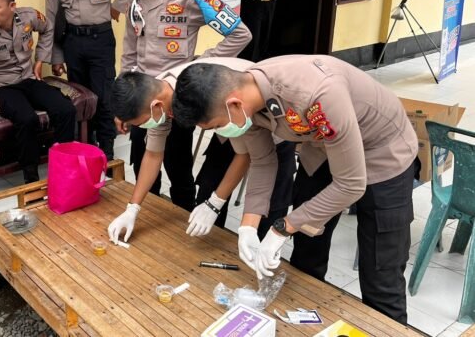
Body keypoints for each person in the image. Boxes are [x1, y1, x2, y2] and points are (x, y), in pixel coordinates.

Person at [172, 55, 418, 324]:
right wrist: (248, 226)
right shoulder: (246, 104)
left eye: (218, 126)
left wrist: (281, 228)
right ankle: (310, 324)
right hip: (322, 152)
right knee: (307, 254)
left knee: (381, 276)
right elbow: (263, 161)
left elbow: (350, 184)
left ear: (234, 104)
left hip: (383, 155)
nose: (223, 132)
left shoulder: (319, 94)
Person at [105, 0, 252, 212]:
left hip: (176, 100)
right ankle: (146, 215)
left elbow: (240, 34)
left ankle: (183, 221)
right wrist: (123, 105)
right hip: (141, 97)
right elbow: (130, 51)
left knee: (178, 167)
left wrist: (199, 66)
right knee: (141, 162)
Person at [108, 58, 295, 243]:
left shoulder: (200, 96)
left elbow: (245, 155)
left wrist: (216, 203)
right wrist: (132, 209)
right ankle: (217, 245)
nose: (145, 127)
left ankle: (262, 251)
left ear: (156, 106)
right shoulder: (156, 93)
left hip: (269, 127)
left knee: (267, 209)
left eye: (142, 123)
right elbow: (153, 154)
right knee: (209, 188)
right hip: (228, 124)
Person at [46, 0, 132, 161]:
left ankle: (107, 153)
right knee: (83, 100)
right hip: (73, 43)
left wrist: (118, 6)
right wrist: (56, 56)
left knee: (104, 98)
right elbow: (52, 18)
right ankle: (88, 149)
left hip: (100, 40)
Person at [0, 0, 76, 183]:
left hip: (28, 79)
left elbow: (48, 28)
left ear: (12, 6)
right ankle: (31, 178)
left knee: (65, 109)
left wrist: (40, 59)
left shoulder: (28, 16)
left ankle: (63, 166)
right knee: (26, 119)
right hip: (2, 86)